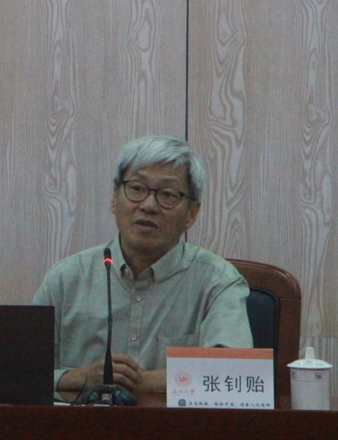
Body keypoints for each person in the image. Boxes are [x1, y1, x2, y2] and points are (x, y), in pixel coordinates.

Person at [33, 135, 252, 397]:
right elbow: (19, 374)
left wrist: (133, 382)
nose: (148, 205)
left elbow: (236, 373)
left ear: (192, 213)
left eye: (167, 195)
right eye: (136, 189)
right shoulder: (66, 278)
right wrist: (80, 377)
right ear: (114, 198)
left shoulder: (218, 282)